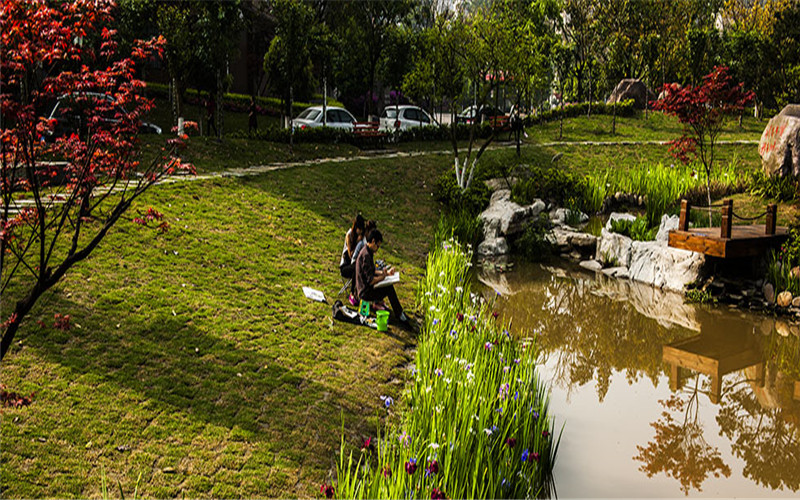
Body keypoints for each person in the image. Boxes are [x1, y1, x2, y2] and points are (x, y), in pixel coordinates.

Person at [355, 229, 408, 323]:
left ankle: (399, 312)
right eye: (377, 246)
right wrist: (382, 277)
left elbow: (372, 271)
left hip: (367, 287)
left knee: (388, 285)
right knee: (389, 288)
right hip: (365, 291)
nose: (377, 249)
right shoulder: (366, 255)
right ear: (373, 241)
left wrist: (386, 273)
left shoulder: (367, 251)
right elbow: (371, 280)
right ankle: (399, 314)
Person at [339, 214, 365, 305]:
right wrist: (357, 242)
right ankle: (352, 293)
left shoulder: (362, 237)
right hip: (346, 266)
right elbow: (350, 255)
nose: (360, 232)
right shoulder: (349, 235)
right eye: (359, 229)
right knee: (356, 268)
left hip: (355, 264)